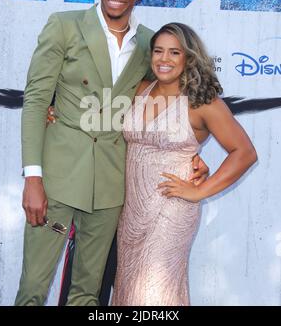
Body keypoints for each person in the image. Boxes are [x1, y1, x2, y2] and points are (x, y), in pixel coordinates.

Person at [15, 0, 208, 306]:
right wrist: (32, 177)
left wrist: (194, 152)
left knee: (88, 293)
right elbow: (37, 101)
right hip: (57, 177)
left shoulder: (152, 44)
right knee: (32, 288)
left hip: (111, 184)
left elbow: (178, 97)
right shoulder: (64, 26)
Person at [110, 23, 257, 306]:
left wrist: (200, 191)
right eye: (158, 51)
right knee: (128, 286)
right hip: (131, 209)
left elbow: (245, 152)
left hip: (172, 209)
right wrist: (54, 111)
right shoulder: (140, 89)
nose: (164, 59)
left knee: (155, 293)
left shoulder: (201, 102)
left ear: (188, 57)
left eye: (174, 52)